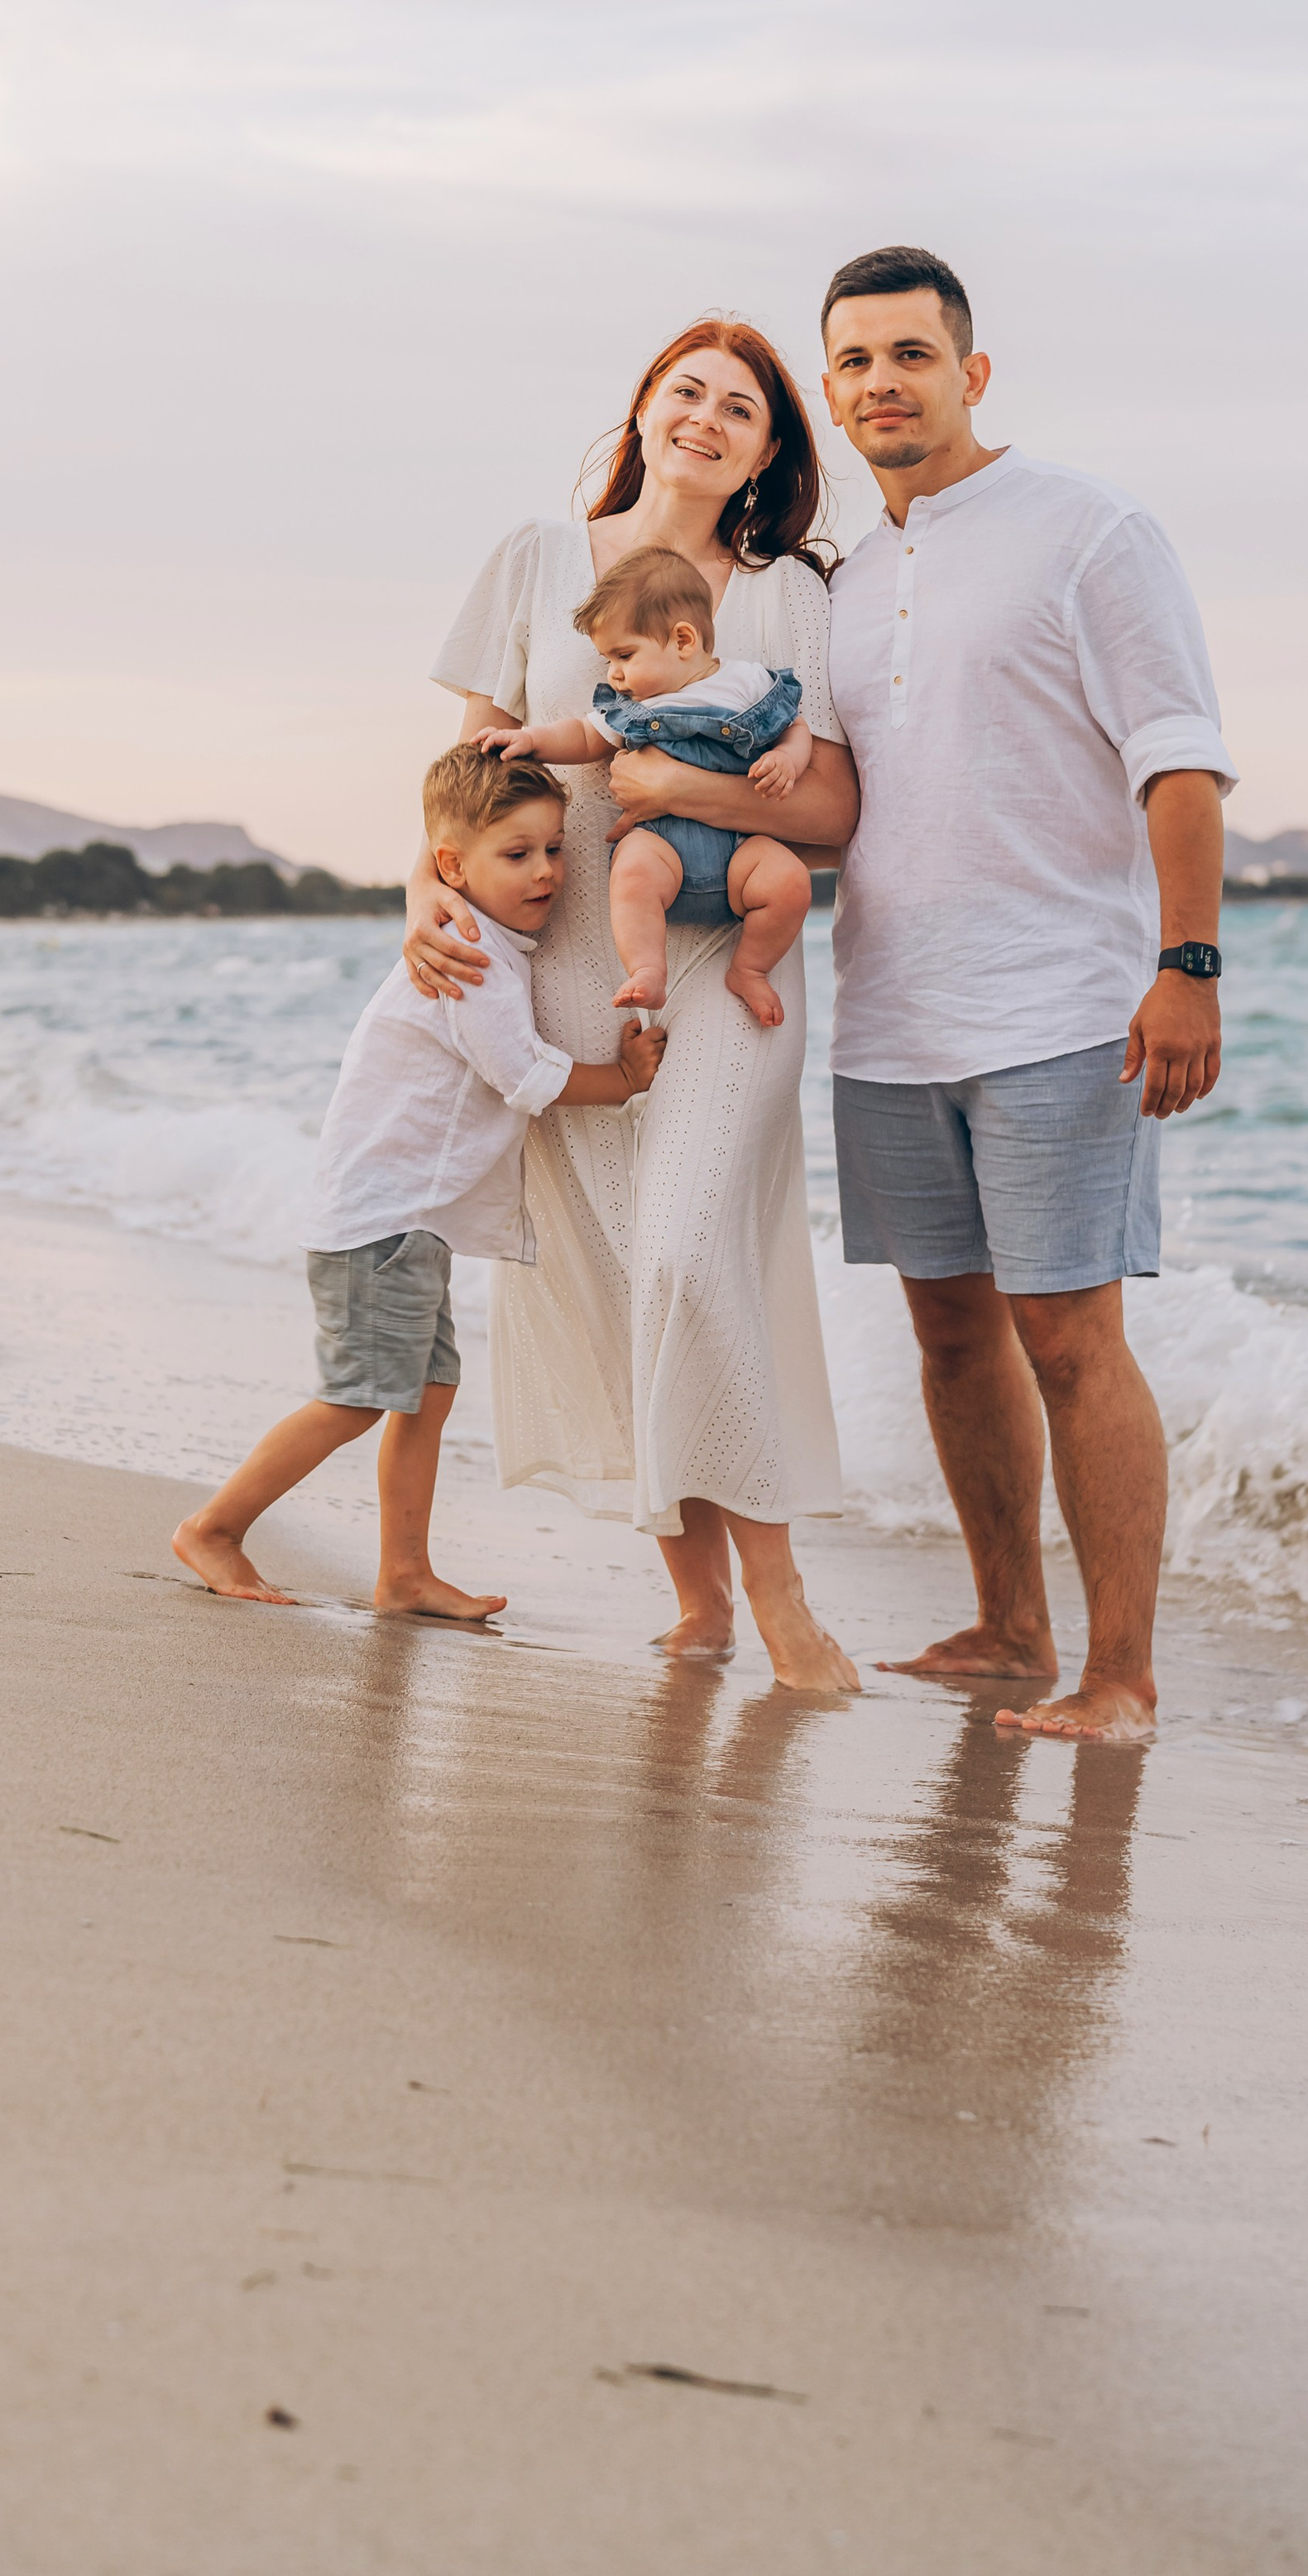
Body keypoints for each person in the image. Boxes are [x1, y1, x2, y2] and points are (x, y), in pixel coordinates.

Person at [819, 242, 1235, 1746]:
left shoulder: (1088, 529)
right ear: (830, 392)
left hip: (1064, 1006)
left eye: (911, 355)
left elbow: (1179, 757)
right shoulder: (841, 582)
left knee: (1070, 1338)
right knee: (949, 1336)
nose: (883, 383)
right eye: (855, 361)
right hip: (889, 1015)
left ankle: (1119, 1678)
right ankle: (1008, 1625)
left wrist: (1186, 964)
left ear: (971, 372)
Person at [409, 321, 860, 1692]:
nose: (707, 418)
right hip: (561, 969)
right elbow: (466, 776)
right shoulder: (537, 560)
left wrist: (677, 791)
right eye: (687, 392)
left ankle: (780, 1597)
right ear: (645, 409)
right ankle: (697, 1598)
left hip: (727, 965)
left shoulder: (784, 597)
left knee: (683, 1252)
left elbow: (837, 810)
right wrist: (427, 901)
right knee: (617, 1278)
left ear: (767, 453)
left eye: (742, 408)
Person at [170, 746, 666, 1618]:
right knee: (358, 1398)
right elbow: (523, 1075)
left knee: (427, 1394)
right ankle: (214, 1527)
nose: (546, 872)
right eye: (517, 854)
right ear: (450, 867)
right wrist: (622, 1080)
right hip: (384, 1222)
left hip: (406, 1222)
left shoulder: (488, 944)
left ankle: (403, 1573)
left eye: (554, 849)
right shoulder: (470, 952)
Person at [474, 540, 815, 1027]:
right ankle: (648, 968)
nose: (614, 674)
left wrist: (787, 759)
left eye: (624, 655)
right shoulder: (636, 708)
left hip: (742, 849)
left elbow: (794, 726)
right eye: (608, 660)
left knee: (790, 881)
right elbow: (584, 736)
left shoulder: (749, 683)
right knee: (632, 870)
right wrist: (529, 740)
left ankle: (750, 968)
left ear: (683, 641)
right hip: (664, 849)